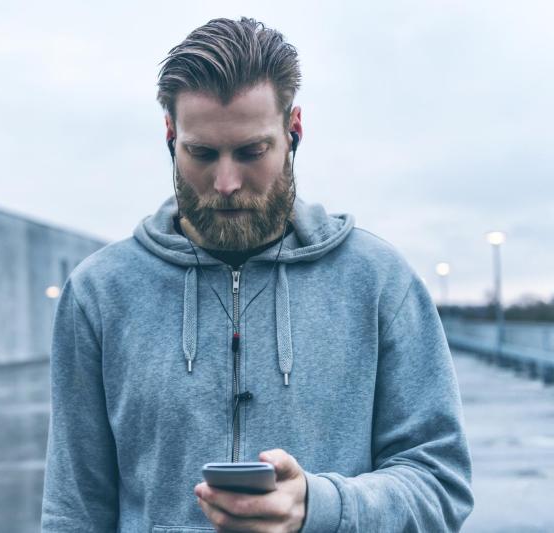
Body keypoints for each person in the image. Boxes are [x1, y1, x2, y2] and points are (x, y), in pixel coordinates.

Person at [41, 16, 474, 532]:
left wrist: (318, 507)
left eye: (251, 151)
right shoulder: (99, 292)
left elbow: (440, 483)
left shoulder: (379, 281)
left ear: (293, 131)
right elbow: (74, 510)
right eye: (202, 153)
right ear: (170, 136)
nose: (225, 183)